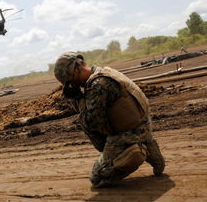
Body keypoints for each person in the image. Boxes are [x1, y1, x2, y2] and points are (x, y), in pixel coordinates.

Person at [54, 52, 165, 188]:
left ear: (76, 70)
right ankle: (148, 145)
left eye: (70, 80)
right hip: (143, 123)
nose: (72, 85)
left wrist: (77, 99)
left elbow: (93, 123)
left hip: (127, 133)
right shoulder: (103, 72)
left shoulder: (97, 85)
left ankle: (138, 152)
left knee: (97, 178)